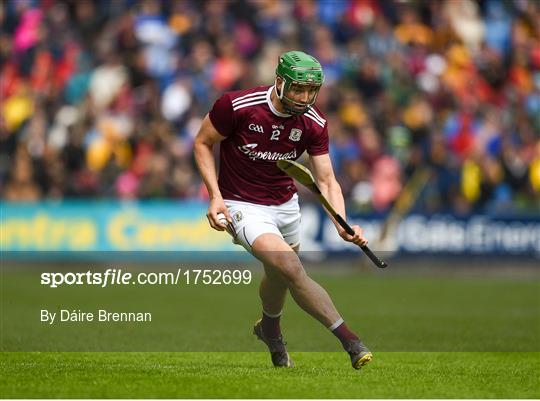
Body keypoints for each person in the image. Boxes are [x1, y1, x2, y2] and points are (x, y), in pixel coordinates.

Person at [194, 50, 372, 369]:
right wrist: (215, 195)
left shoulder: (314, 123)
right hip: (242, 205)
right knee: (290, 265)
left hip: (285, 205)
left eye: (311, 91)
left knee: (279, 275)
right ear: (279, 82)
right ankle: (351, 341)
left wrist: (342, 223)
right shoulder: (236, 106)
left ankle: (270, 329)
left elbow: (327, 180)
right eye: (297, 89)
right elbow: (202, 143)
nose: (305, 98)